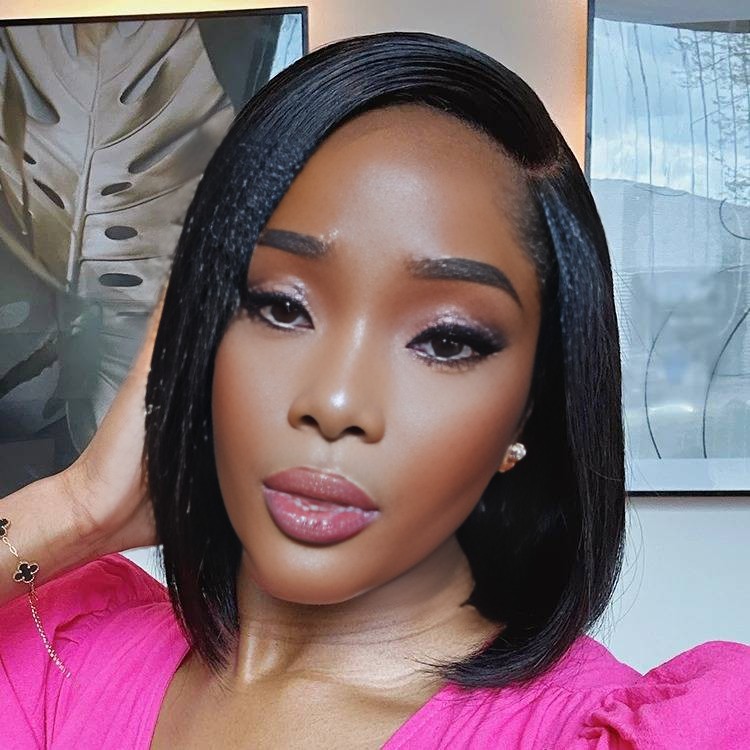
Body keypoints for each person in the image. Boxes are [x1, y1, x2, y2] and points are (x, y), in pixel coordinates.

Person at [0, 31, 748, 749]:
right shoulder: (57, 651)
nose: (335, 404)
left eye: (447, 341)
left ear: (527, 411)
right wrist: (76, 509)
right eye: (280, 306)